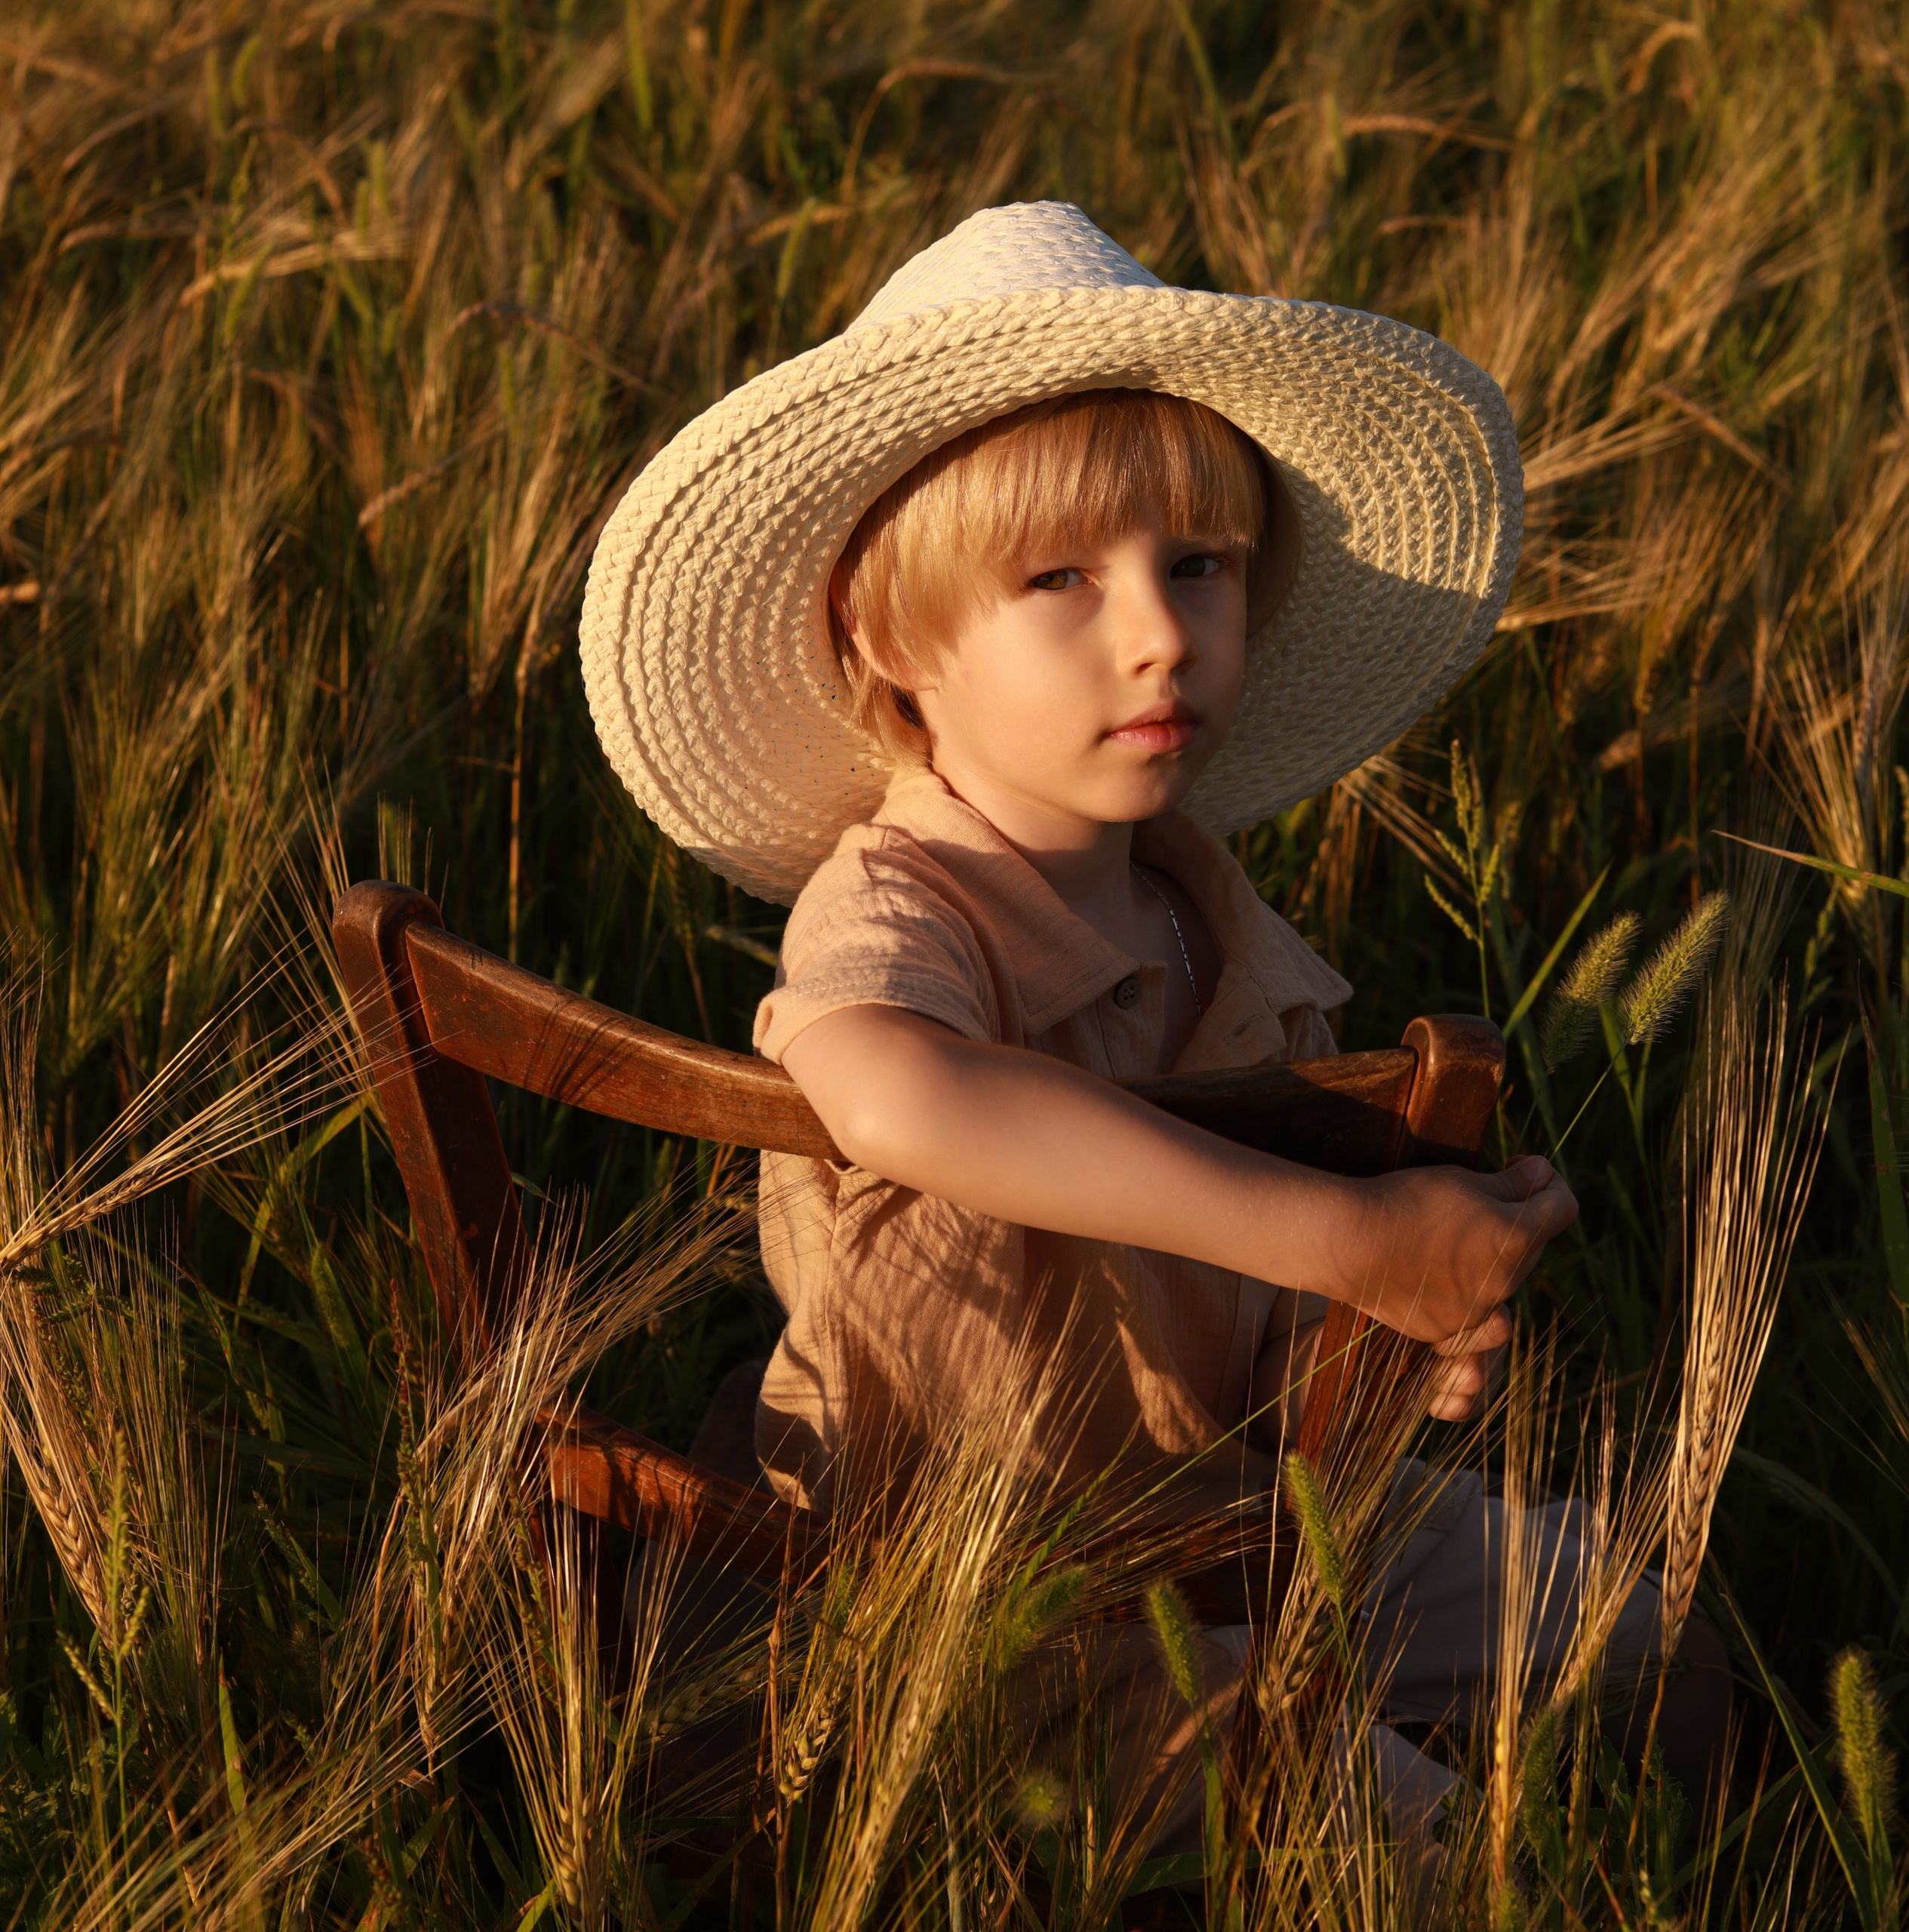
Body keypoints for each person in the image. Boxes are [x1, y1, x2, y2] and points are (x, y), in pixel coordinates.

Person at [579, 201, 1728, 1890]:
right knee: (1409, 1860)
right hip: (976, 1604)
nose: (1158, 631)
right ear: (895, 645)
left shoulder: (1206, 914)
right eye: (1059, 579)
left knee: (1636, 1636)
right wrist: (1336, 1230)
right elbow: (896, 1090)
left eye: (1194, 563)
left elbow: (1221, 1301)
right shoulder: (900, 908)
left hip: (1234, 1514)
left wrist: (1382, 1321)